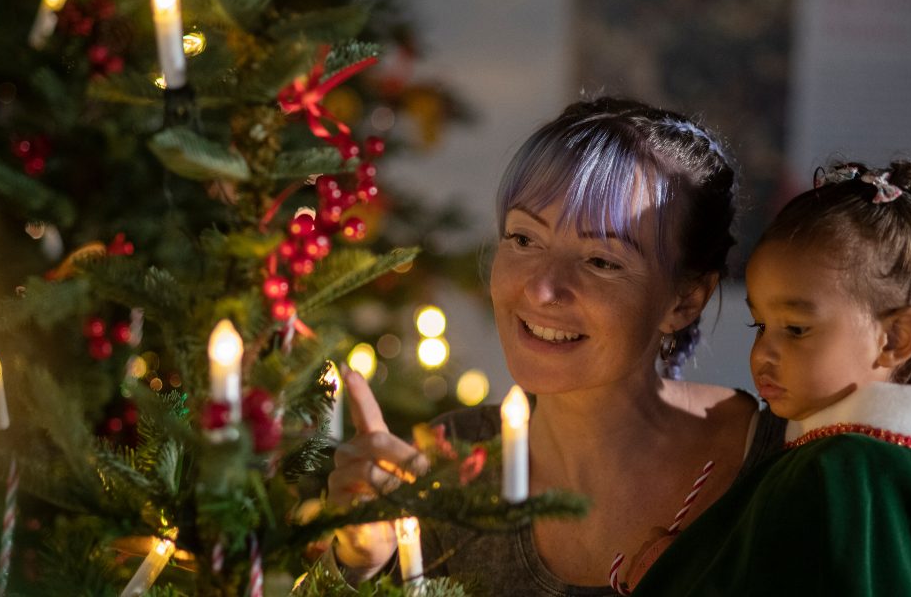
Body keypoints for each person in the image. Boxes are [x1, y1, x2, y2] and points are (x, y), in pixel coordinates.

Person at [324, 97, 786, 595]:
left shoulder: (778, 465)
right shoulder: (445, 466)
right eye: (524, 239)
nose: (542, 289)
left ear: (685, 300)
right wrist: (355, 564)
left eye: (601, 261)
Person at [633, 159, 911, 596]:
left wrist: (671, 576)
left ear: (895, 338)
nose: (764, 352)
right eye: (760, 325)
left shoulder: (841, 471)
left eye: (796, 329)